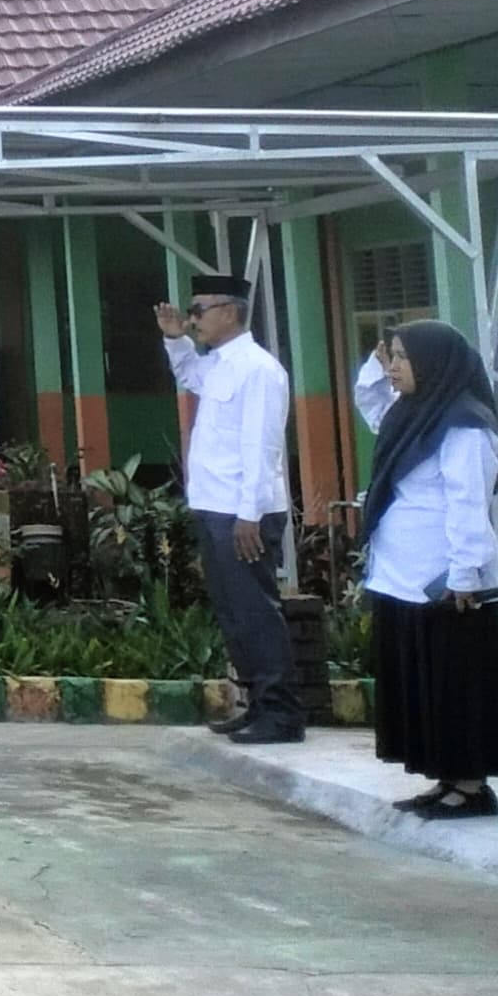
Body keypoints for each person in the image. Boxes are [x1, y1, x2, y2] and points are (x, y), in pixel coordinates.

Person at [353, 322, 498, 820]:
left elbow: (468, 502)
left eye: (402, 357)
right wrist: (376, 365)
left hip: (445, 582)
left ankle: (471, 786)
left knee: (454, 683)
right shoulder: (414, 414)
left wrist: (464, 575)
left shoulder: (464, 425)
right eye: (392, 356)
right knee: (423, 683)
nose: (394, 366)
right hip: (402, 576)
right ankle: (446, 779)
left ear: (433, 362)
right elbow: (371, 403)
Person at [160, 276, 300, 744]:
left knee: (256, 612)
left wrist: (250, 514)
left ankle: (281, 714)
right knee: (234, 613)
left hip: (243, 513)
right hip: (215, 506)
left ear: (230, 312)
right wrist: (175, 338)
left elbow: (262, 445)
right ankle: (257, 704)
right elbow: (189, 376)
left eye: (198, 310)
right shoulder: (219, 364)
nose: (192, 318)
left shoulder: (258, 369)